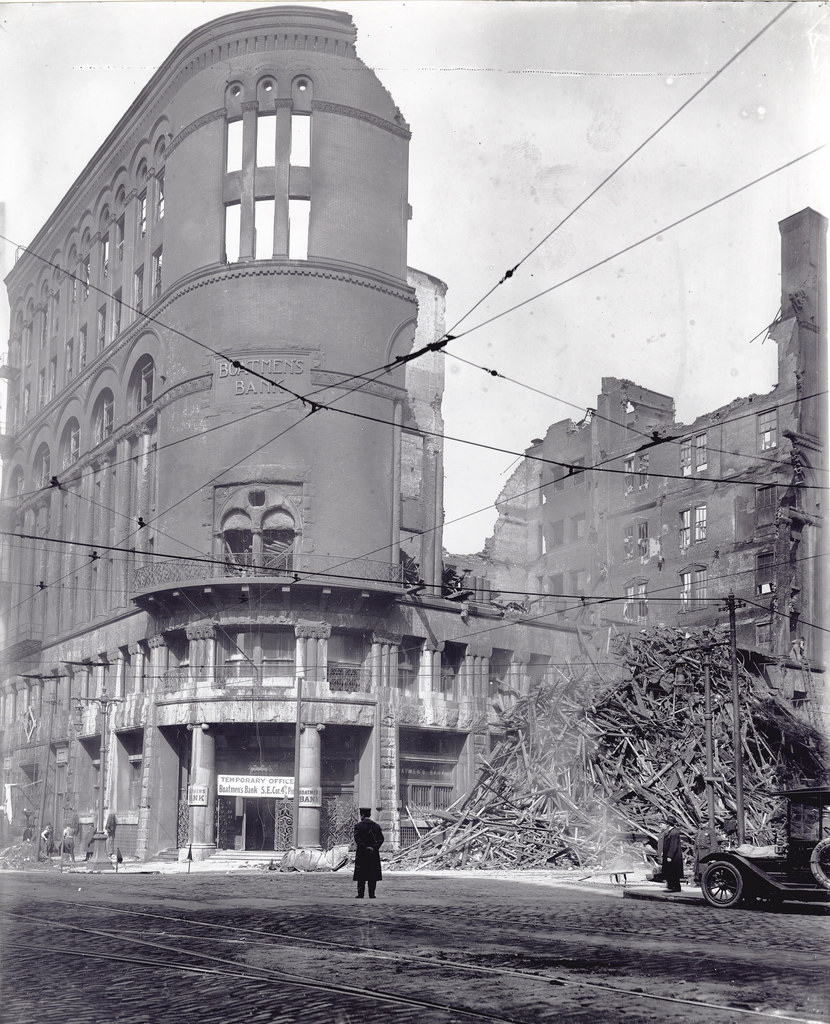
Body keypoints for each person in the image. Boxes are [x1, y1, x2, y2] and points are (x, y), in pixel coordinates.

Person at [353, 807, 384, 899]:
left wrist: (365, 847)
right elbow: (381, 839)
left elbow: (357, 840)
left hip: (362, 853)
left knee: (361, 874)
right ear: (369, 815)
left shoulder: (358, 826)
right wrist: (373, 847)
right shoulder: (376, 826)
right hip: (373, 854)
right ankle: (372, 894)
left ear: (362, 815)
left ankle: (360, 894)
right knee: (372, 874)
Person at [661, 818, 684, 892]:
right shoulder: (671, 831)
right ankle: (672, 886)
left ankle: (676, 888)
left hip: (674, 856)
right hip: (670, 854)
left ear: (668, 824)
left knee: (674, 872)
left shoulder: (674, 832)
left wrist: (670, 855)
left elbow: (673, 845)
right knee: (670, 871)